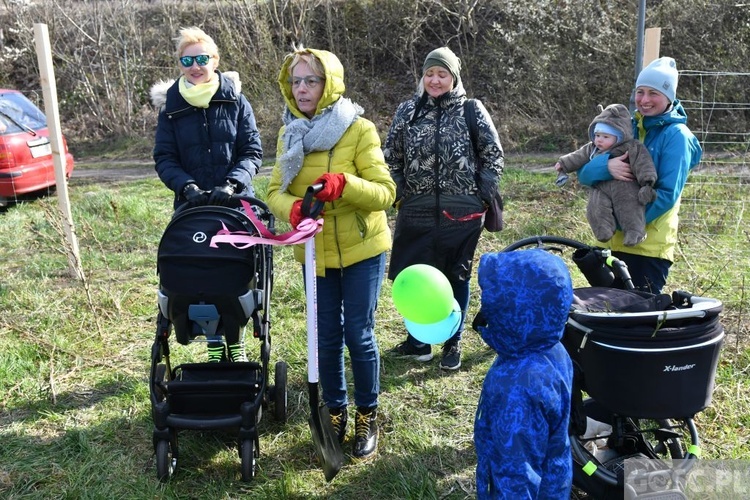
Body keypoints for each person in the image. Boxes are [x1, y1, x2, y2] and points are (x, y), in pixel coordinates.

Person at [265, 46, 396, 460]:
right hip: (315, 253)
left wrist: (346, 184)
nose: (302, 89)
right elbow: (272, 192)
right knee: (325, 338)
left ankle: (367, 413)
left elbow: (386, 194)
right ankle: (335, 413)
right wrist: (294, 209)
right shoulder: (289, 134)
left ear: (329, 84)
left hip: (362, 250)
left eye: (311, 80)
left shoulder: (359, 130)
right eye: (296, 81)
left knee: (358, 333)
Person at [383, 46, 504, 370]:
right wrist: (400, 194)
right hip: (416, 211)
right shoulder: (407, 110)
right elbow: (390, 156)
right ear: (422, 76)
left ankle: (452, 343)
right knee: (416, 278)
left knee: (456, 277)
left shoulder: (471, 110)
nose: (435, 80)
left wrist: (481, 194)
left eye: (442, 74)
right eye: (430, 73)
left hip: (461, 214)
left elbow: (493, 154)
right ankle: (418, 342)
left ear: (454, 77)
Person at [151, 26, 263, 362]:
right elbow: (165, 157)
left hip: (234, 205)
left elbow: (251, 151)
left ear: (215, 60)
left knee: (237, 273)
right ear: (180, 63)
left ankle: (236, 339)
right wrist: (187, 187)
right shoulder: (171, 109)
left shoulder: (236, 101)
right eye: (188, 59)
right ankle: (215, 343)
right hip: (192, 206)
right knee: (200, 272)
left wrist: (232, 183)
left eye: (202, 58)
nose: (195, 65)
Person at [576, 57, 702, 293]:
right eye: (640, 92)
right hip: (609, 243)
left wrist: (624, 223)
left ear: (669, 97)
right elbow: (583, 172)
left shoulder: (677, 137)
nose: (644, 100)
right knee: (607, 317)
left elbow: (665, 194)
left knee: (637, 323)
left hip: (647, 248)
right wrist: (607, 167)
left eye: (653, 93)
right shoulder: (624, 127)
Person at [473, 249, 573, 499]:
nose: (486, 307)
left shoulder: (516, 387)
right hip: (554, 478)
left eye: (492, 302)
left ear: (514, 309)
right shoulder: (551, 347)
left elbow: (517, 475)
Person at [555, 103, 657, 246]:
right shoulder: (592, 148)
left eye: (605, 136)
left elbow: (643, 163)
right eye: (597, 135)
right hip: (600, 186)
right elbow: (578, 156)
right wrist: (563, 163)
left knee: (630, 207)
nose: (599, 140)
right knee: (594, 207)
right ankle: (603, 231)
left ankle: (635, 232)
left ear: (619, 136)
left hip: (625, 186)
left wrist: (647, 181)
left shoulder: (631, 146)